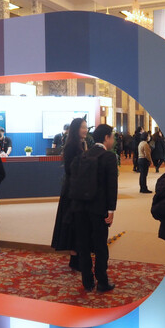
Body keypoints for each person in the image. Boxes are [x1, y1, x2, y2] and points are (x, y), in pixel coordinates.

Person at [72, 124, 118, 292]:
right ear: (106, 138)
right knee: (100, 246)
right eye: (112, 137)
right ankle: (102, 281)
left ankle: (87, 281)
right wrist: (111, 210)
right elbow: (112, 186)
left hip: (79, 207)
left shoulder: (83, 155)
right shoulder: (109, 157)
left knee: (83, 245)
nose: (113, 141)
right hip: (98, 209)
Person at [52, 118, 88, 270]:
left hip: (78, 188)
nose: (86, 130)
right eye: (83, 127)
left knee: (78, 223)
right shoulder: (72, 146)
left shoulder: (81, 144)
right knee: (72, 222)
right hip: (72, 190)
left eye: (86, 127)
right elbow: (71, 169)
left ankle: (77, 257)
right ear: (76, 129)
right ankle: (74, 258)